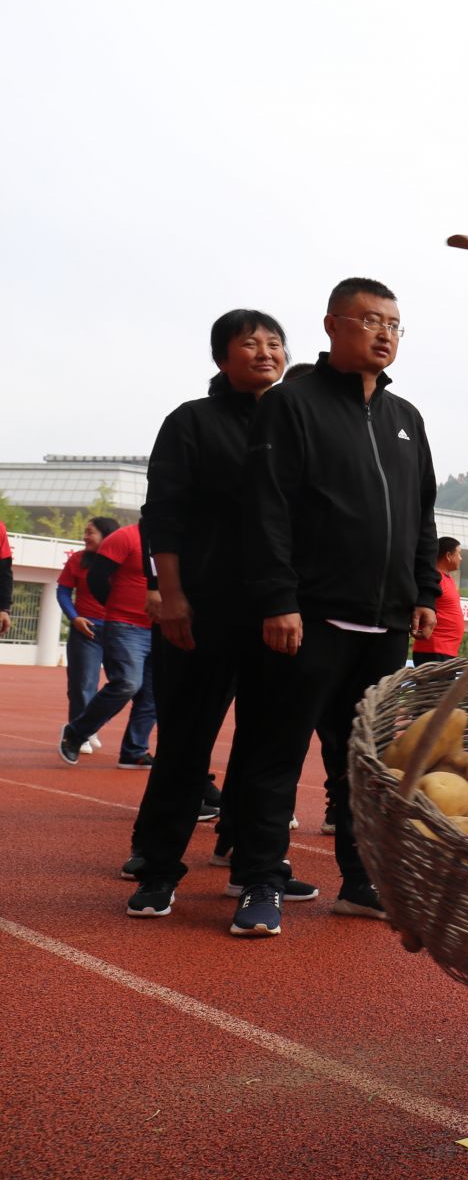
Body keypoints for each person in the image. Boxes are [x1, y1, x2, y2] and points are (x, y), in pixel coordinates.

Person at [223, 276, 440, 939]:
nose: (385, 334)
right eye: (371, 320)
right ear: (332, 325)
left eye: (395, 325)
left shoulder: (407, 421)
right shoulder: (291, 404)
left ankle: (361, 879)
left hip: (384, 625)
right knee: (275, 751)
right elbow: (267, 510)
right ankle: (261, 879)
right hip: (307, 618)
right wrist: (279, 598)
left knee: (365, 764)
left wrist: (424, 592)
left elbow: (421, 515)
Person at [124, 310, 307, 917]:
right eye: (248, 343)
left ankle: (255, 866)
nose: (265, 351)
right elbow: (164, 514)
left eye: (274, 342)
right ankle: (156, 866)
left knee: (266, 744)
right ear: (221, 357)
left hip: (277, 611)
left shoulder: (299, 421)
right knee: (186, 741)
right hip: (203, 607)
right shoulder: (192, 422)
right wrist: (170, 593)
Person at [57, 520, 158, 768]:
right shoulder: (125, 538)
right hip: (123, 626)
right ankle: (77, 732)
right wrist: (115, 609)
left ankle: (134, 751)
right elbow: (96, 579)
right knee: (125, 683)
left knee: (153, 694)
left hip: (160, 628)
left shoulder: (176, 541)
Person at [56, 515, 118, 751]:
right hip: (86, 629)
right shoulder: (78, 560)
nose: (85, 536)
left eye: (90, 532)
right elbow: (63, 591)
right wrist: (75, 618)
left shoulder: (123, 561)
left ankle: (87, 725)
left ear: (107, 535)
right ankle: (80, 732)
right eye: (85, 531)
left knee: (126, 684)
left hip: (118, 630)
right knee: (83, 683)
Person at [414, 537, 465, 664]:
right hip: (433, 650)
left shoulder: (448, 580)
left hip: (446, 651)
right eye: (459, 554)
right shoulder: (433, 579)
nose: (461, 558)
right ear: (448, 555)